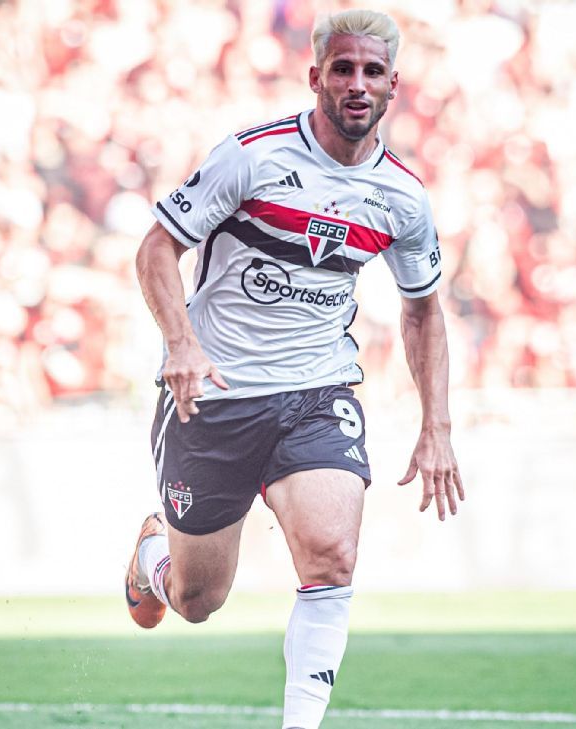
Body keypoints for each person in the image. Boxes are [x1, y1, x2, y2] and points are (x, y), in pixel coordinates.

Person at [123, 10, 464, 729]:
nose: (357, 84)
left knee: (333, 554)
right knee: (196, 600)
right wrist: (181, 343)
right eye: (343, 68)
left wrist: (438, 426)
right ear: (317, 77)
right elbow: (157, 248)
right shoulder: (252, 157)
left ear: (393, 86)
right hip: (212, 396)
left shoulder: (402, 197)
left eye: (372, 71)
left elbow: (424, 310)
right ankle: (155, 554)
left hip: (315, 393)